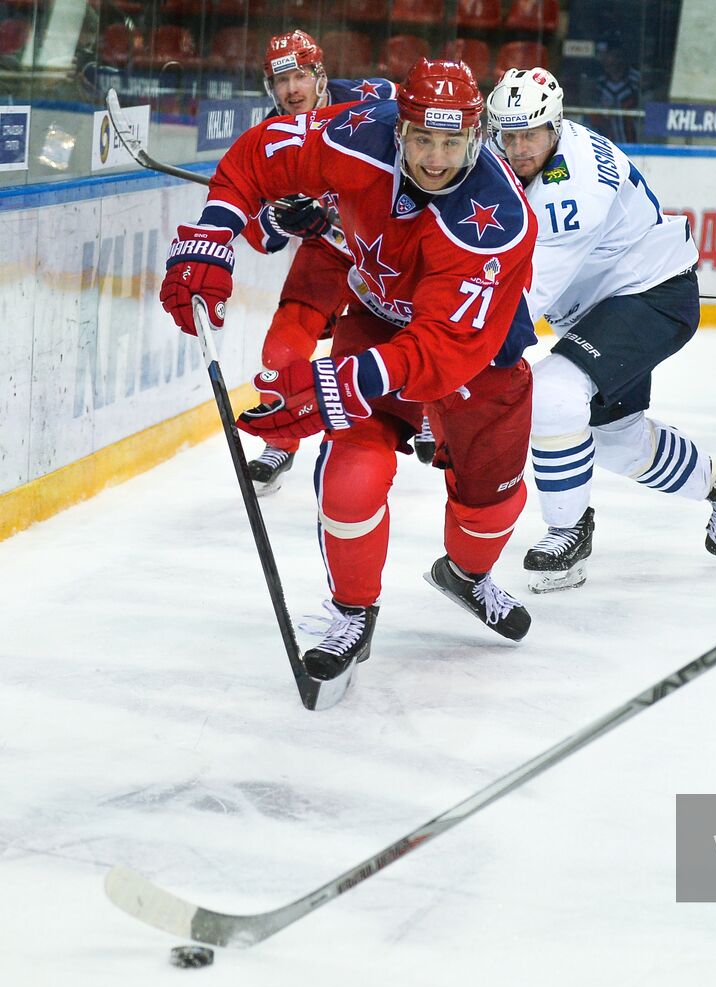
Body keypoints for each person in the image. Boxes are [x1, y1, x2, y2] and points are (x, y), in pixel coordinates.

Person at [157, 59, 539, 695]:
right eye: (422, 140)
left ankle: (468, 574)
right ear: (401, 132)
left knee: (490, 499)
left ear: (476, 135)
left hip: (475, 347)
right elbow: (261, 155)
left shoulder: (498, 221)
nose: (436, 159)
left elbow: (443, 348)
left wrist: (341, 380)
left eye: (451, 143)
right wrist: (213, 235)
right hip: (378, 317)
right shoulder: (359, 133)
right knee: (351, 477)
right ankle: (353, 611)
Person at [485, 67, 716, 593]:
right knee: (617, 442)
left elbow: (526, 299)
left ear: (556, 125)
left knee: (553, 392)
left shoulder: (570, 189)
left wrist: (457, 359)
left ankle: (568, 533)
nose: (518, 147)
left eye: (529, 134)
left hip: (652, 296)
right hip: (606, 303)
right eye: (508, 135)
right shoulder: (525, 147)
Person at [242, 30, 406, 495]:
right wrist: (281, 217)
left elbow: (429, 131)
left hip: (391, 245)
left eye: (299, 76)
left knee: (427, 331)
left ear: (320, 75)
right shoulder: (265, 140)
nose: (291, 89)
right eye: (281, 81)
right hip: (331, 252)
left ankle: (435, 417)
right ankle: (282, 439)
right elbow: (259, 236)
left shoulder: (371, 98)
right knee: (282, 348)